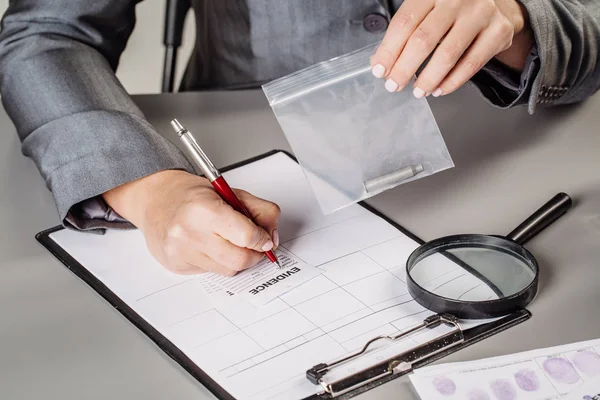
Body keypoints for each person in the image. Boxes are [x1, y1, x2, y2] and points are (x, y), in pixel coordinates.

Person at [0, 1, 598, 277]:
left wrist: (519, 18)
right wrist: (147, 188)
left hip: (507, 152)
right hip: (247, 152)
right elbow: (45, 34)